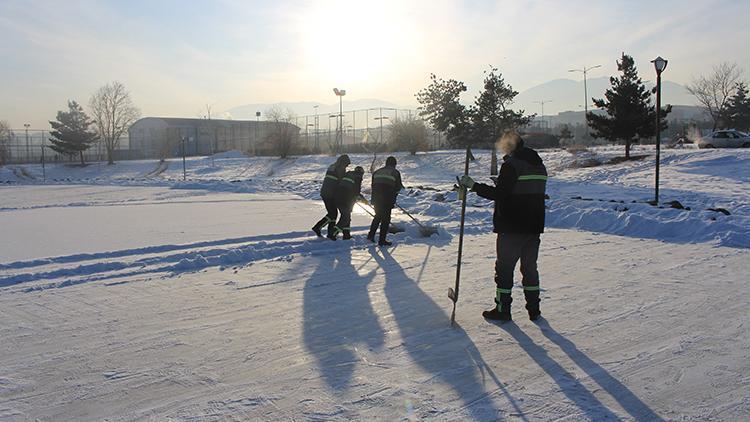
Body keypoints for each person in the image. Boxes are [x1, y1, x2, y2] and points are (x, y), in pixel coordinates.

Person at [459, 131, 547, 322]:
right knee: (530, 268)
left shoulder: (511, 165)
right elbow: (525, 190)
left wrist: (474, 186)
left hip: (512, 226)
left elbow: (500, 194)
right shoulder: (539, 166)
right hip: (534, 225)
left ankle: (503, 310)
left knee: (505, 269)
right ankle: (534, 310)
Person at [368, 156, 404, 246]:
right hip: (387, 199)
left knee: (377, 216)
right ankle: (382, 240)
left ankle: (371, 235)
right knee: (386, 219)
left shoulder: (377, 172)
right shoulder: (395, 172)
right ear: (394, 164)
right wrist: (393, 196)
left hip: (376, 198)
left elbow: (373, 186)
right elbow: (398, 187)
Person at [312, 154, 350, 240]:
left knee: (332, 213)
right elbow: (342, 182)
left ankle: (330, 232)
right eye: (347, 164)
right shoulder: (340, 168)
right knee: (333, 213)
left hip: (325, 192)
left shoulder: (332, 166)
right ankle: (318, 227)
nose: (347, 166)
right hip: (330, 193)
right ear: (344, 162)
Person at [330, 166, 365, 240]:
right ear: (361, 173)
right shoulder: (358, 176)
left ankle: (346, 234)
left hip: (338, 197)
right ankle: (333, 233)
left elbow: (349, 187)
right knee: (345, 218)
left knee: (346, 216)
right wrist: (362, 199)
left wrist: (358, 196)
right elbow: (356, 191)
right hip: (345, 199)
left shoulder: (348, 174)